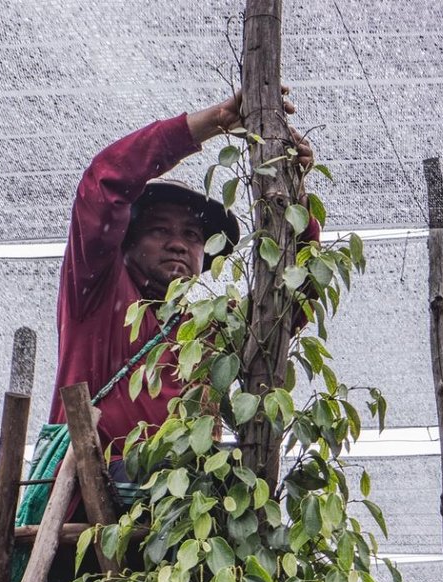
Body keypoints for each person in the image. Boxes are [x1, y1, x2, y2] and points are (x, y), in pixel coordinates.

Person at [49, 90, 317, 461]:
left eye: (192, 236)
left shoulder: (209, 329)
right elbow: (103, 183)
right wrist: (212, 121)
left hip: (188, 511)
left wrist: (297, 196)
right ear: (126, 243)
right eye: (160, 230)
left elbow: (286, 309)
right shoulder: (97, 292)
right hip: (85, 503)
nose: (178, 244)